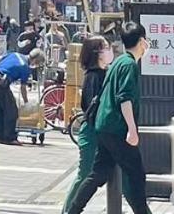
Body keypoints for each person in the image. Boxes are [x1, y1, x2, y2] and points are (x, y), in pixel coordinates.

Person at [65, 22, 156, 214]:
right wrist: (132, 129)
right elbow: (124, 99)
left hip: (103, 128)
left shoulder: (118, 63)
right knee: (136, 174)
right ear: (142, 42)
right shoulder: (129, 65)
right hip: (117, 129)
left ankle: (73, 211)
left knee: (97, 174)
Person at [61, 36, 112, 214]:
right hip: (92, 132)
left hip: (99, 132)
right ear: (96, 53)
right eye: (105, 47)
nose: (109, 50)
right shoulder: (94, 76)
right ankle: (68, 210)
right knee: (86, 174)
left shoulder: (103, 73)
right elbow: (92, 109)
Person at [0, 48, 32, 144]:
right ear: (35, 61)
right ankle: (10, 138)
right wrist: (26, 102)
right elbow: (23, 88)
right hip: (1, 82)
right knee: (12, 111)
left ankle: (0, 136)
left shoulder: (15, 54)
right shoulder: (25, 67)